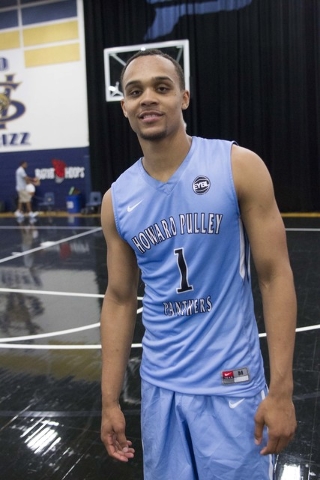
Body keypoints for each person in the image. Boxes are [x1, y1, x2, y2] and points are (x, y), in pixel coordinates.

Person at [100, 49, 297, 479]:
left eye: (161, 87)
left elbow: (275, 276)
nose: (147, 98)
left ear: (184, 98)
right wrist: (109, 400)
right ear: (125, 109)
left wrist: (281, 391)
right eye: (135, 92)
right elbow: (118, 300)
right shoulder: (117, 200)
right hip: (160, 387)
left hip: (232, 383)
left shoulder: (237, 166)